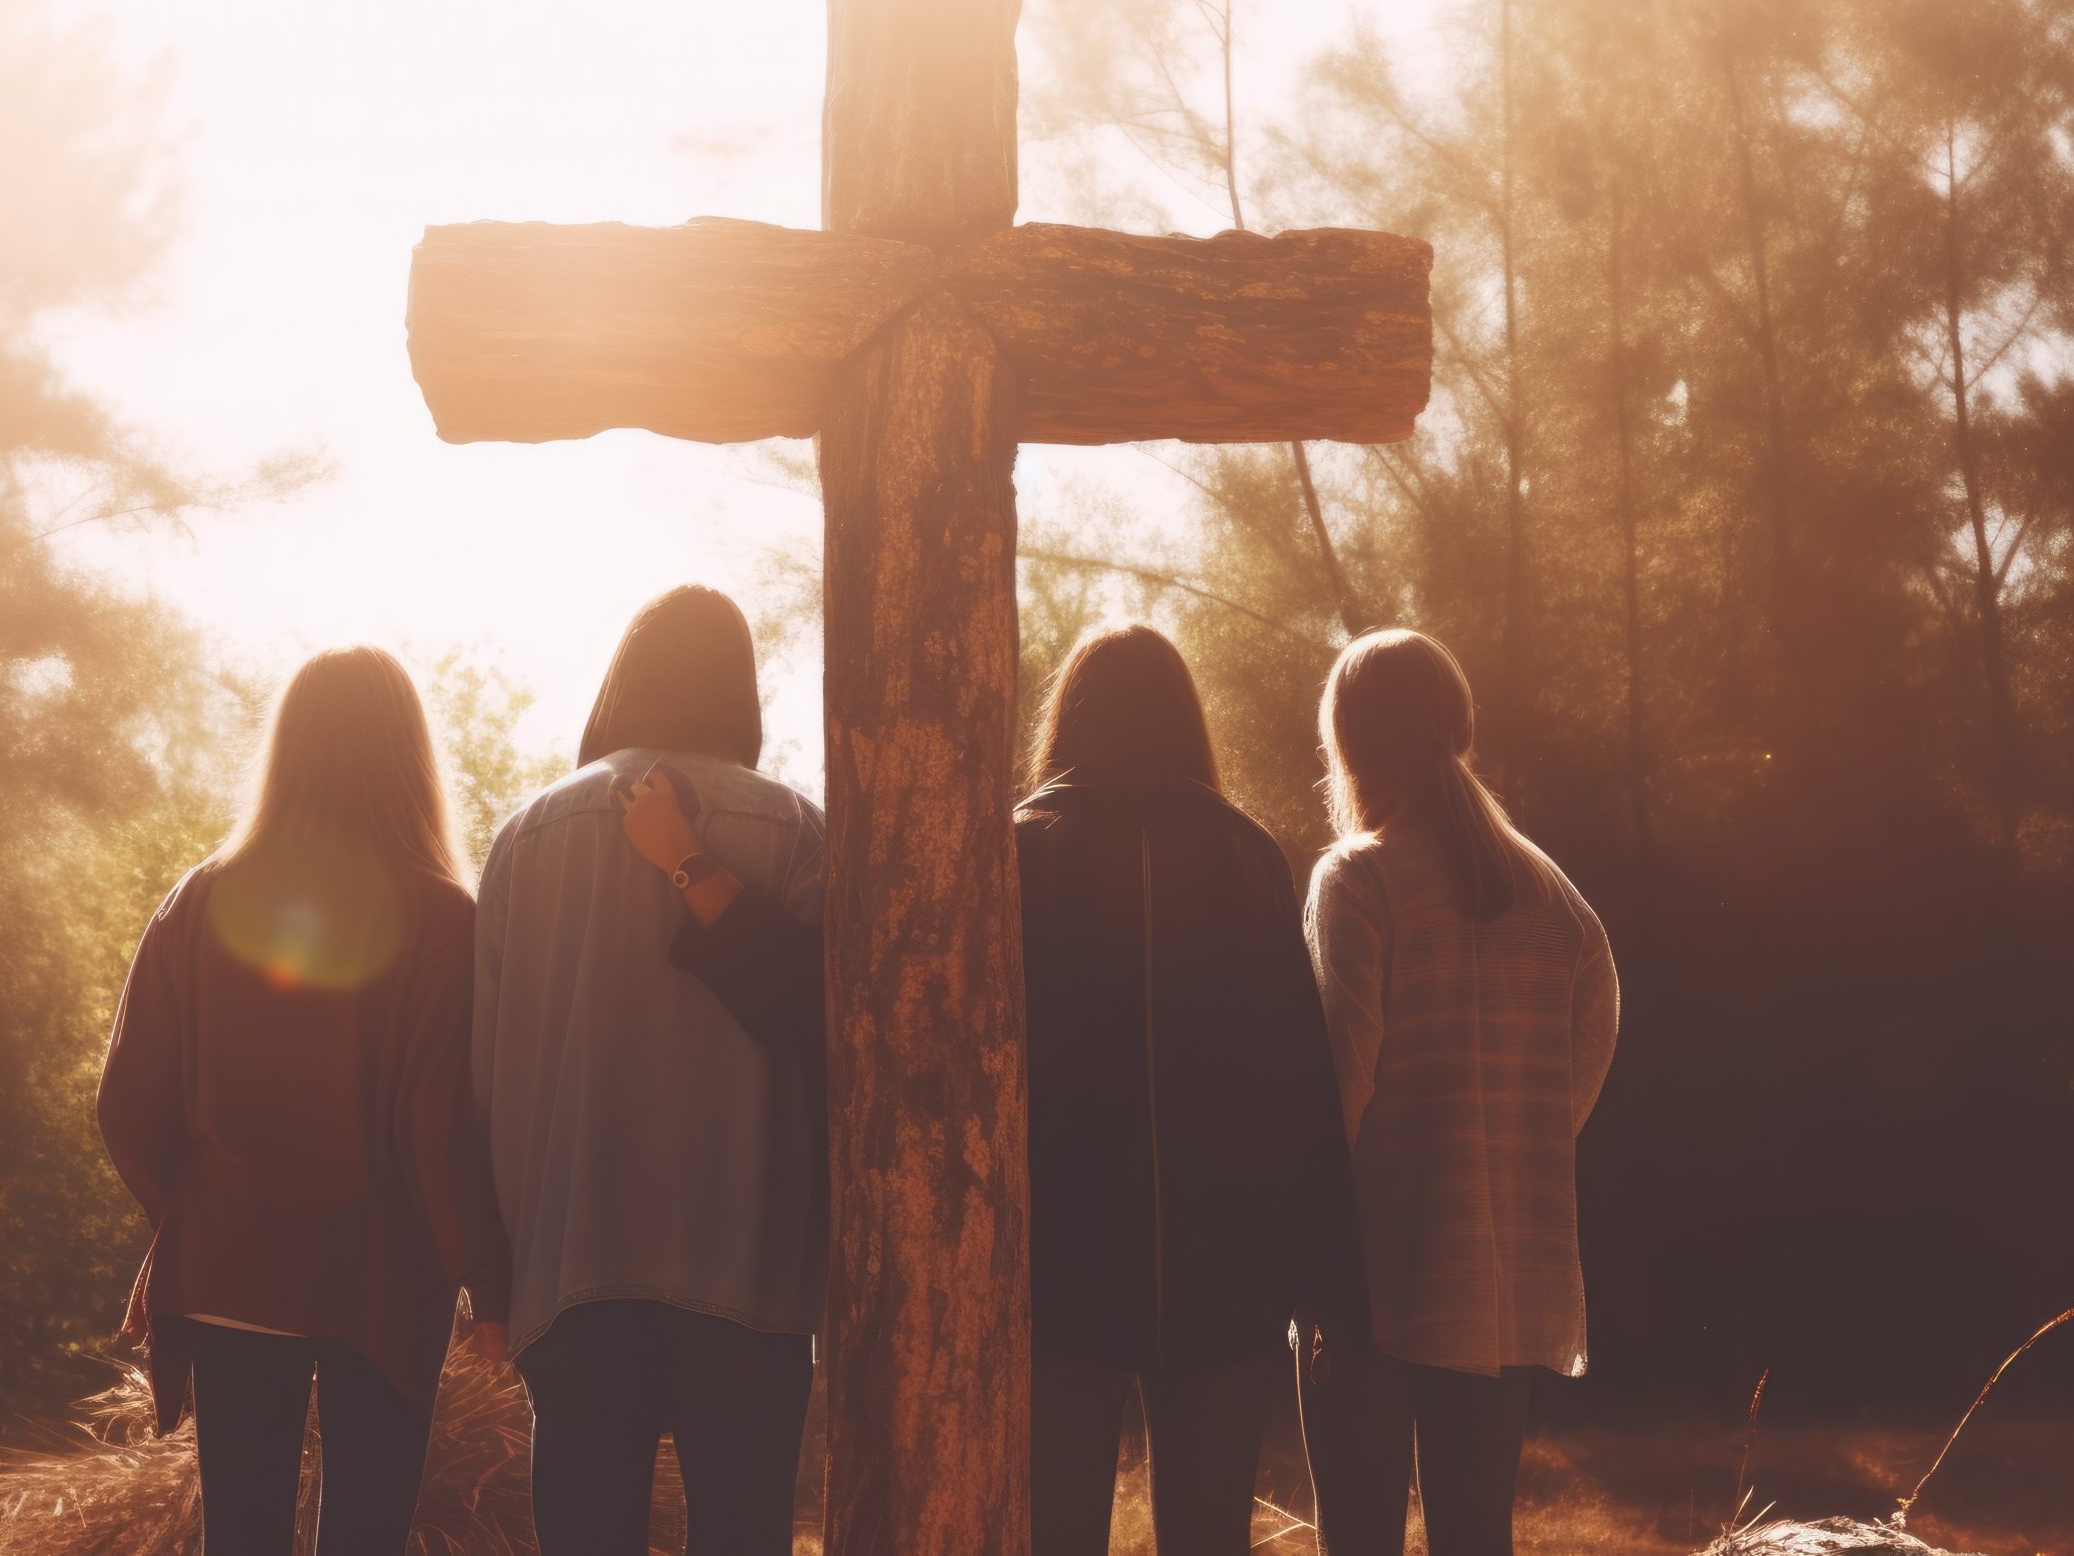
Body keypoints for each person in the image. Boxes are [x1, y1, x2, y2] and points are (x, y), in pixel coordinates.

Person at [622, 623, 1367, 1554]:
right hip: (1229, 1278)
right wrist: (1328, 1278)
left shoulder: (1008, 850)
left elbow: (867, 1017)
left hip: (1051, 1275)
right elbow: (1298, 1075)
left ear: (1067, 721)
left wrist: (698, 879)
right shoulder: (1247, 854)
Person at [98, 645, 506, 1556]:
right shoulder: (443, 919)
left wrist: (198, 1209)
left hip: (233, 1263)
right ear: (409, 755)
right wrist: (490, 1278)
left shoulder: (199, 899)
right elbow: (433, 1122)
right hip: (381, 1273)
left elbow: (126, 1101)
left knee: (239, 1536)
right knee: (366, 1534)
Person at [473, 585, 827, 1556]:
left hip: (572, 1263)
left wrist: (498, 1273)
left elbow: (486, 1073)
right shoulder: (799, 831)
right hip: (748, 1261)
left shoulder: (521, 841)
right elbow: (839, 1043)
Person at [1300, 628, 1621, 1556]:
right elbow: (1592, 1044)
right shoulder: (1557, 898)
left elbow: (1339, 1083)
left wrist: (1303, 1258)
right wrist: (1517, 1147)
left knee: (1358, 1537)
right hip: (1510, 1272)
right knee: (1478, 1537)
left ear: (1349, 741)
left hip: (1373, 1269)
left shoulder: (1358, 878)